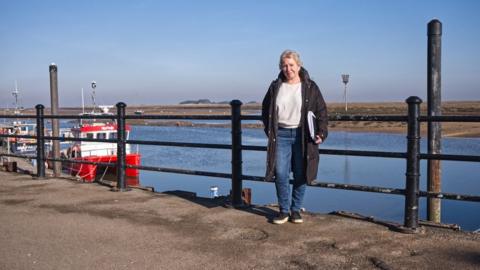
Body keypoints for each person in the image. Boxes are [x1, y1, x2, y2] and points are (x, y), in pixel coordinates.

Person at [262, 50, 328, 224]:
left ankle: (295, 210)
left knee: (301, 172)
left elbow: (321, 111)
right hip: (281, 135)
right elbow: (265, 109)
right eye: (284, 65)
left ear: (299, 66)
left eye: (291, 65)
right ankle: (283, 210)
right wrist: (270, 130)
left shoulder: (310, 86)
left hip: (302, 135)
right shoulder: (275, 86)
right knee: (280, 172)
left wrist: (321, 132)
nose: (288, 68)